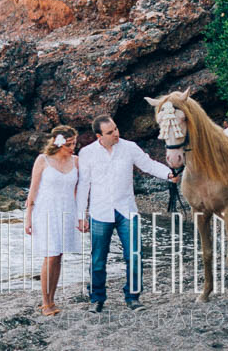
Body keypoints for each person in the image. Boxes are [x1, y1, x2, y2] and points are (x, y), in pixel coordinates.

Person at [76, 115, 179, 312]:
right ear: (99, 136)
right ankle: (97, 299)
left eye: (115, 129)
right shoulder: (87, 154)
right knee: (98, 258)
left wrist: (168, 174)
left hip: (127, 210)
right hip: (100, 211)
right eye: (110, 132)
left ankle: (133, 297)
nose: (116, 133)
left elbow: (148, 165)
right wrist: (81, 215)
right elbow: (83, 185)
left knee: (134, 255)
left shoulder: (129, 147)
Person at [24, 125, 80, 316]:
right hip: (46, 211)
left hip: (67, 212)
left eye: (75, 143)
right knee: (50, 254)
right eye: (69, 144)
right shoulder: (43, 160)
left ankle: (53, 298)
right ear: (58, 143)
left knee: (59, 255)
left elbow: (78, 191)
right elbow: (33, 191)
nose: (73, 147)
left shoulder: (76, 161)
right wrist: (28, 219)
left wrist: (82, 215)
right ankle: (46, 303)